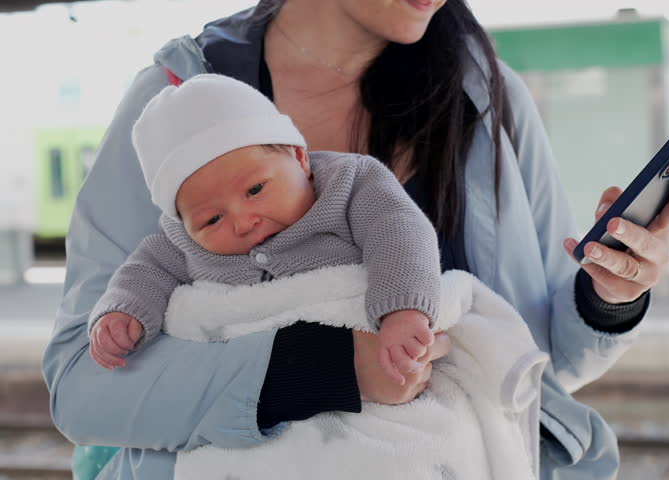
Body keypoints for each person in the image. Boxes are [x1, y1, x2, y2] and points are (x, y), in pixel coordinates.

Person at [43, 1, 669, 479]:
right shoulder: (178, 108)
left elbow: (534, 364)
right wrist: (327, 371)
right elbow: (84, 386)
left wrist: (609, 296)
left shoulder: (486, 97)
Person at [88, 73, 441, 387]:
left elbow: (401, 234)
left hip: (371, 352)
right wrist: (122, 312)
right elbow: (144, 271)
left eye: (255, 190)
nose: (243, 223)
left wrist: (402, 310)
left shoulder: (350, 185)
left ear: (300, 159)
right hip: (264, 391)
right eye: (212, 220)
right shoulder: (179, 244)